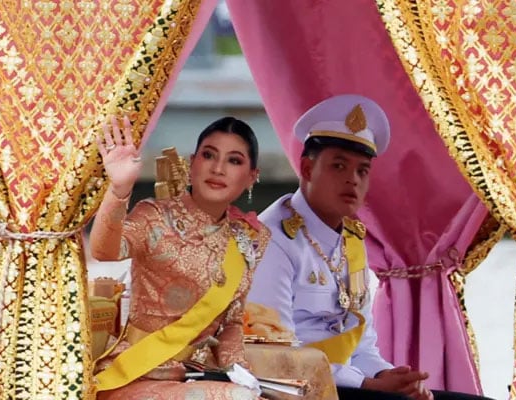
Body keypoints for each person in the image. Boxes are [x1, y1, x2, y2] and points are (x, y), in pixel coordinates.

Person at [247, 95, 493, 400]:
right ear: (308, 169)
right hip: (294, 390)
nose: (352, 179)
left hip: (350, 385)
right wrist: (367, 384)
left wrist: (386, 375)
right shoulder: (272, 238)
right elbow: (276, 352)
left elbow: (362, 345)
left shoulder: (351, 239)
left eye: (362, 171)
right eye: (338, 166)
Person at [90, 115, 269, 400]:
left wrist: (238, 369)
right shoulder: (155, 216)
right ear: (192, 163)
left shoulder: (249, 237)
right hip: (134, 374)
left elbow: (232, 322)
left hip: (195, 375)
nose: (218, 168)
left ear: (251, 177)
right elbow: (104, 251)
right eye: (209, 155)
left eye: (234, 160)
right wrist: (119, 190)